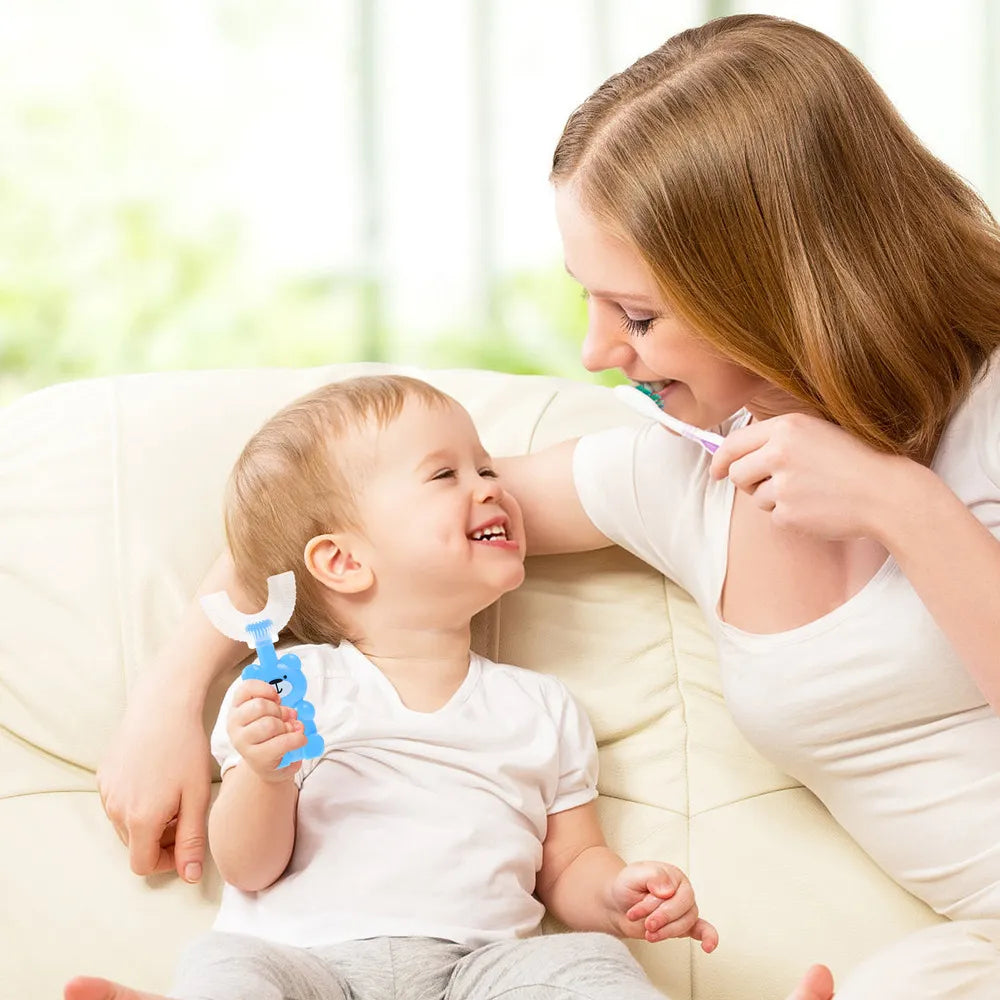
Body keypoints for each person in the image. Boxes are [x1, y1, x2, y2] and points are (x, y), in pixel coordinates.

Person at [96, 12, 1000, 999]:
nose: (595, 354)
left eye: (638, 316)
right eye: (588, 299)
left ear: (780, 289)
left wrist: (901, 503)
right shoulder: (676, 476)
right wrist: (170, 697)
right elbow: (343, 525)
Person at [68, 374, 725, 1000]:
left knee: (586, 962)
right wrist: (265, 778)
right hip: (307, 968)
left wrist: (617, 895)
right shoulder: (290, 687)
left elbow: (572, 863)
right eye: (445, 475)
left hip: (479, 971)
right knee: (229, 965)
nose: (492, 488)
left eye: (489, 468)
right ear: (344, 561)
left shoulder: (544, 709)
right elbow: (246, 869)